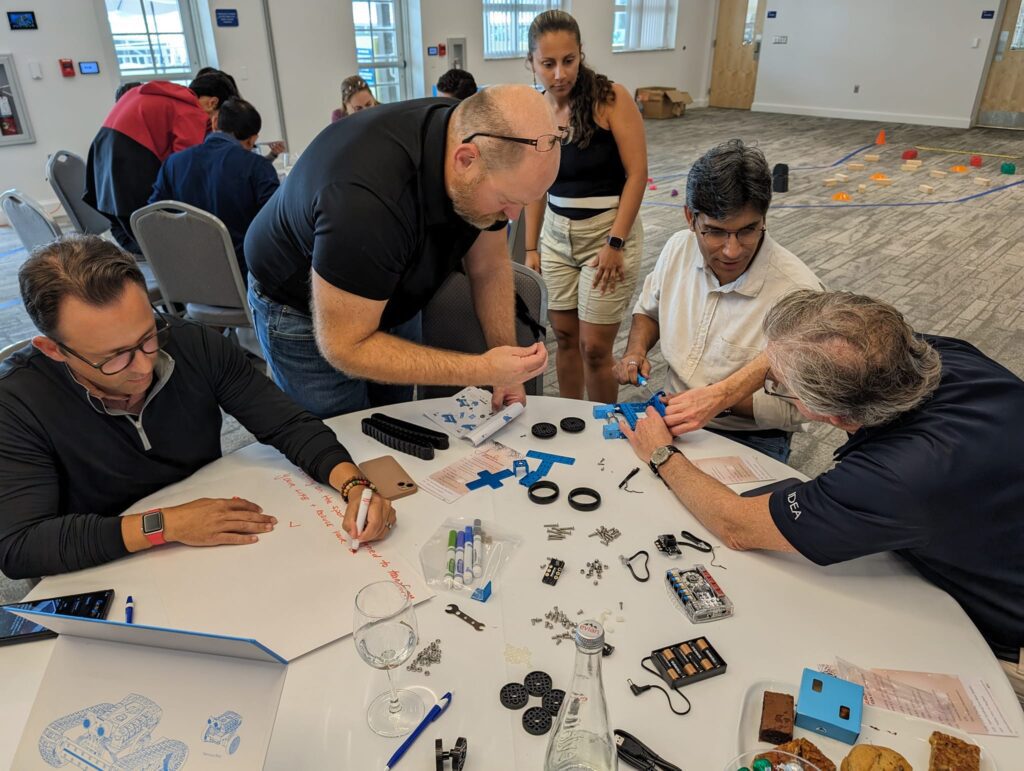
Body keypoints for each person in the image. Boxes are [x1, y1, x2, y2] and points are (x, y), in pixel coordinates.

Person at [618, 289, 1024, 702]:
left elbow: (736, 525)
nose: (770, 377)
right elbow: (813, 345)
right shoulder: (929, 355)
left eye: (779, 385)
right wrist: (722, 393)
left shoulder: (893, 479)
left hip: (1004, 636)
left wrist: (660, 453)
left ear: (827, 415)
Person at [0, 235, 395, 579]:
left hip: (210, 548)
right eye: (114, 357)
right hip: (104, 561)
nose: (143, 367)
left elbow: (287, 423)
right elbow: (20, 546)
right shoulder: (16, 401)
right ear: (53, 349)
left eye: (147, 337)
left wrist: (354, 484)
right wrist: (166, 524)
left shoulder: (191, 343)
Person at [244, 84, 558, 418]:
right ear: (465, 160)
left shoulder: (473, 131)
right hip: (302, 309)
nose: (512, 218)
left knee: (394, 422)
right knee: (339, 445)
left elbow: (489, 267)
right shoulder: (365, 202)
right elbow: (345, 346)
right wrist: (482, 370)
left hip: (390, 284)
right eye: (508, 201)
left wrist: (504, 364)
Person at [613, 140, 823, 462]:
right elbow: (649, 311)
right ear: (690, 218)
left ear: (764, 218)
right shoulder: (676, 248)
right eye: (714, 232)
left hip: (750, 437)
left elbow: (804, 410)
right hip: (673, 413)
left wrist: (718, 399)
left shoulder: (799, 295)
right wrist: (635, 351)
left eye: (747, 230)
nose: (732, 250)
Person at [524, 10, 647, 404]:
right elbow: (535, 187)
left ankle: (603, 426)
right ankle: (570, 418)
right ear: (532, 64)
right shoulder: (535, 109)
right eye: (548, 64)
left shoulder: (611, 98)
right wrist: (530, 247)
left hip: (607, 232)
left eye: (569, 60)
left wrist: (616, 243)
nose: (560, 73)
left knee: (595, 348)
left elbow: (638, 174)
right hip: (557, 236)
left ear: (581, 55)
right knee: (564, 338)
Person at [149, 97, 280, 279]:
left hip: (187, 281)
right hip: (244, 279)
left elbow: (153, 219)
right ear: (253, 139)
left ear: (215, 122)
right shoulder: (257, 167)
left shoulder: (173, 164)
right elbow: (277, 228)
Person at [84, 79, 208, 254]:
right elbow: (184, 165)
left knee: (127, 221)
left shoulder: (148, 94)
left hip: (103, 149)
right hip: (130, 156)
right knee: (157, 234)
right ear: (213, 103)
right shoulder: (191, 111)